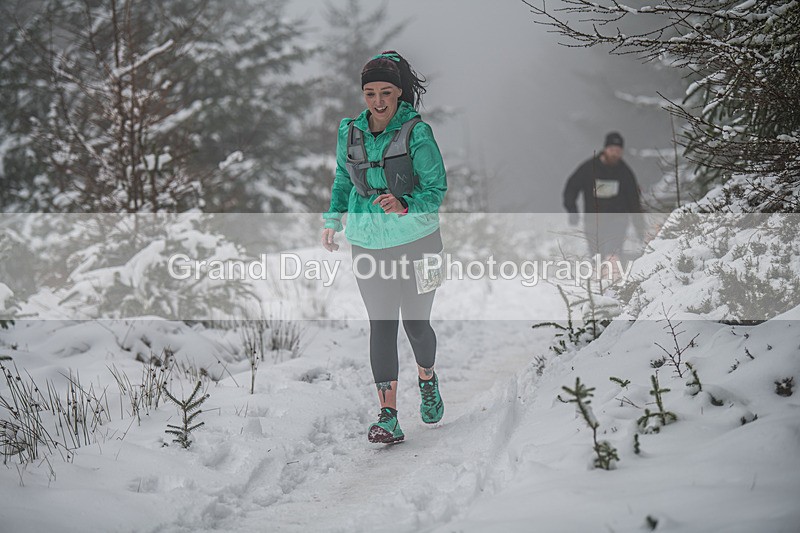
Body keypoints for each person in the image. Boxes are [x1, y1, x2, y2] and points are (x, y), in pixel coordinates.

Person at [321, 51, 447, 444]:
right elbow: (343, 178)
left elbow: (437, 190)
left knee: (416, 325)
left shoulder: (417, 133)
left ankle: (426, 377)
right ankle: (388, 414)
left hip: (421, 241)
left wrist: (405, 203)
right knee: (382, 325)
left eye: (386, 92)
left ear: (398, 93)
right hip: (368, 243)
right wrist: (332, 219)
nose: (378, 101)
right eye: (370, 92)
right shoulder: (349, 132)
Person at [563, 131, 646, 262]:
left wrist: (639, 226)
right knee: (597, 257)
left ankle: (613, 278)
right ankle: (599, 279)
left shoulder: (625, 173)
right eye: (612, 150)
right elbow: (571, 187)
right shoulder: (589, 168)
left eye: (618, 151)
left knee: (613, 254)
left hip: (618, 221)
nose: (615, 154)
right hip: (593, 222)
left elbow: (634, 200)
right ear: (605, 149)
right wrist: (572, 209)